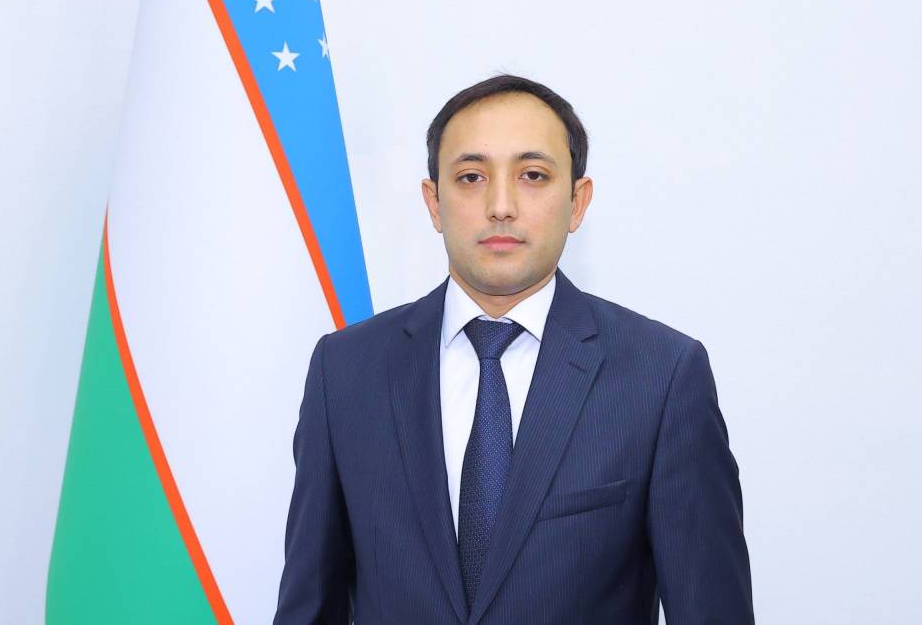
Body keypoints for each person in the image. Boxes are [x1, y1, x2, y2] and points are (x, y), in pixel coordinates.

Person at [273, 74, 754, 624]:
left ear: (577, 202)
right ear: (434, 202)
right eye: (471, 177)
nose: (500, 206)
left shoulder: (662, 376)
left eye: (533, 176)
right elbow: (310, 605)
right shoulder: (345, 371)